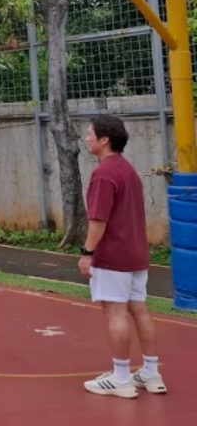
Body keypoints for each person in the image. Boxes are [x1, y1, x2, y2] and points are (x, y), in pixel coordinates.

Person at [79, 115, 166, 398]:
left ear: (104, 139)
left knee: (116, 313)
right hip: (136, 253)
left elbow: (98, 220)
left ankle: (121, 377)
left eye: (90, 133)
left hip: (114, 255)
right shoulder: (128, 170)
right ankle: (151, 372)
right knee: (139, 310)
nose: (86, 138)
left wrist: (87, 253)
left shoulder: (104, 174)